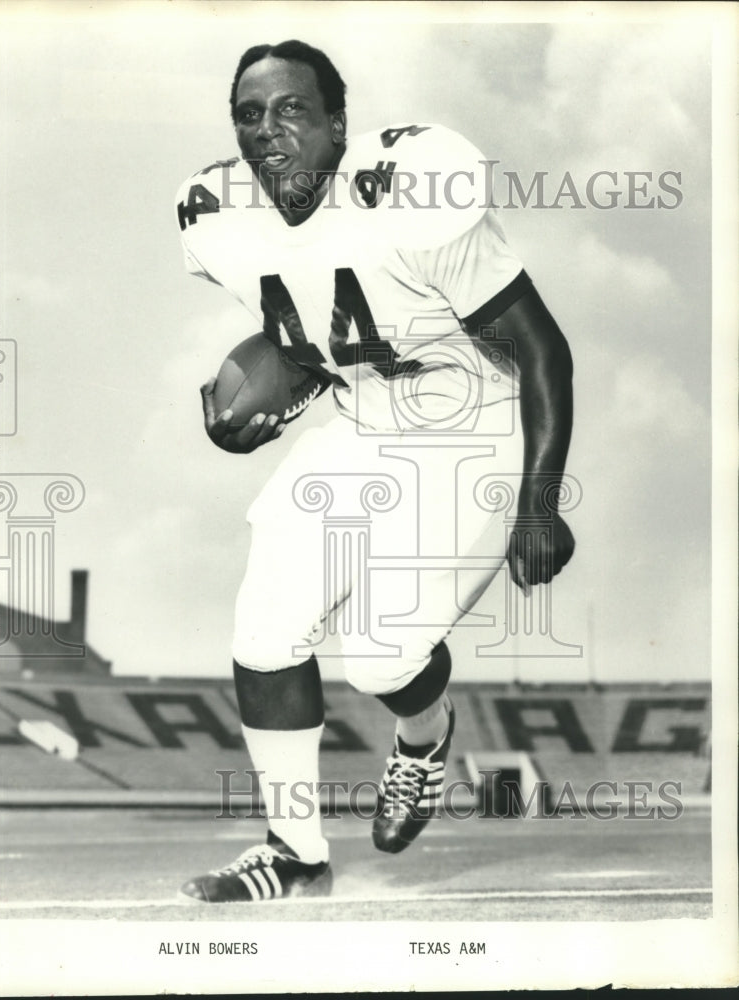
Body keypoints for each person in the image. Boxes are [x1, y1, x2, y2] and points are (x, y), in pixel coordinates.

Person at [175, 39, 574, 902]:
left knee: (381, 659)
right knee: (264, 626)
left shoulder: (408, 191)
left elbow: (543, 354)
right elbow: (335, 333)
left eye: (291, 110)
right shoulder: (219, 216)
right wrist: (275, 391)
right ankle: (296, 853)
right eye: (249, 114)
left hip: (475, 431)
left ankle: (423, 735)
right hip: (363, 425)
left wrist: (538, 505)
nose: (267, 131)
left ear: (337, 124)